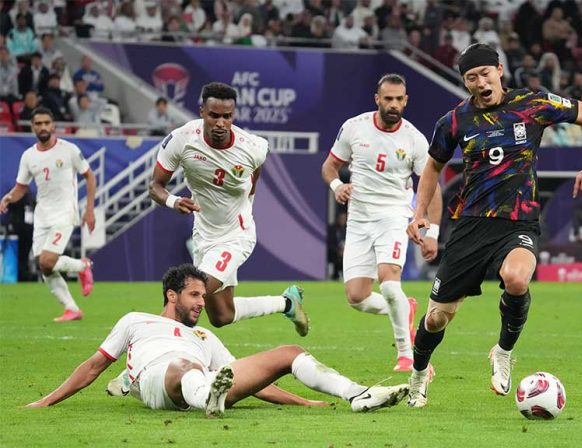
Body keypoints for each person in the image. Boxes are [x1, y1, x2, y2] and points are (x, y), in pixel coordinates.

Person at [405, 43, 582, 407]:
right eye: (471, 77)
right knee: (436, 320)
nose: (481, 83)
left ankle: (503, 351)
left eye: (485, 74)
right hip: (470, 227)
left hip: (518, 222)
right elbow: (433, 166)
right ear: (465, 82)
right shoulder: (454, 121)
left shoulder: (533, 103)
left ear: (499, 70)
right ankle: (418, 376)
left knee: (516, 279)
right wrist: (420, 213)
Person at [27, 264, 409, 416]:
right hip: (159, 380)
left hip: (205, 380)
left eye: (203, 295)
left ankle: (357, 394)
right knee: (185, 366)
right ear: (172, 295)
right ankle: (207, 396)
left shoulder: (204, 335)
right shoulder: (136, 321)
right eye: (194, 295)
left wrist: (303, 401)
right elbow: (94, 366)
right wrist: (46, 400)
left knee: (289, 352)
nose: (202, 302)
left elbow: (248, 380)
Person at [149, 82, 308, 335]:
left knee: (190, 294)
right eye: (214, 116)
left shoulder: (252, 148)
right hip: (204, 235)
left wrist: (246, 205)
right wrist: (174, 201)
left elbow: (254, 177)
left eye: (227, 116)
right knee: (222, 315)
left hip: (236, 236)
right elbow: (155, 186)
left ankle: (147, 346)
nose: (221, 123)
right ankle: (288, 303)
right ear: (202, 112)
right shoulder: (182, 140)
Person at [320, 74, 442, 372]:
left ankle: (407, 355)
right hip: (359, 220)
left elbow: (431, 186)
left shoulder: (414, 139)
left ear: (406, 101)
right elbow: (330, 166)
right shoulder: (354, 127)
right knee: (357, 297)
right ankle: (405, 307)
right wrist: (337, 186)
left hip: (395, 215)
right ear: (377, 99)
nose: (393, 104)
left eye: (399, 99)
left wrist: (433, 231)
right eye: (388, 99)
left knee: (389, 282)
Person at [0, 107, 96, 322]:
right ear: (32, 126)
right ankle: (72, 309)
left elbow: (90, 177)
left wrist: (89, 209)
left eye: (46, 123)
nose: (42, 127)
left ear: (53, 126)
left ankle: (83, 266)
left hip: (64, 213)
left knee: (48, 260)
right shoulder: (28, 156)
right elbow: (21, 187)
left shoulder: (69, 150)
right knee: (43, 264)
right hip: (42, 215)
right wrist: (8, 197)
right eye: (38, 123)